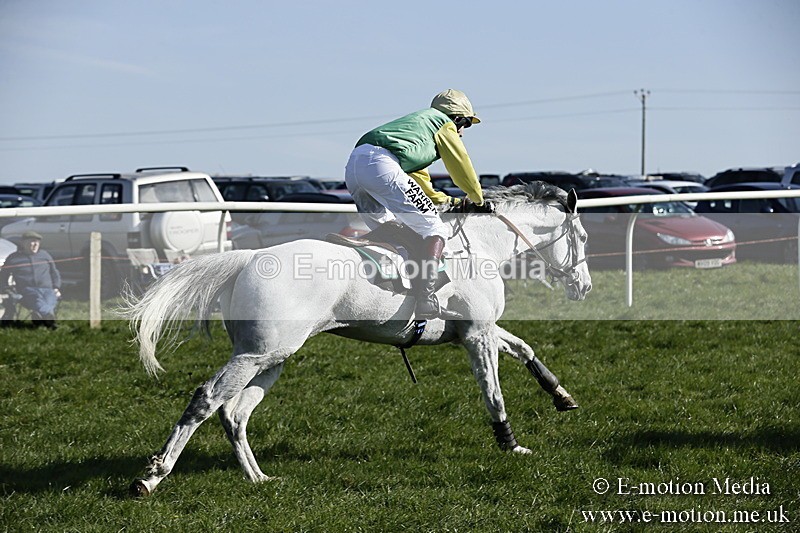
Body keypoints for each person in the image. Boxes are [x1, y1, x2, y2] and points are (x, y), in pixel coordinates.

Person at [343, 89, 486, 320]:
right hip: (381, 165)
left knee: (390, 227)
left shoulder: (418, 130)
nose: (462, 133)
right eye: (466, 124)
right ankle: (426, 300)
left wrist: (450, 201)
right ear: (457, 118)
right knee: (435, 229)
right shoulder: (443, 123)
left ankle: (398, 288)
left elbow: (421, 182)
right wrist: (477, 199)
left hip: (354, 167)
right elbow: (461, 164)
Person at [0, 231, 61, 328]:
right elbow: (3, 275)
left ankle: (42, 317)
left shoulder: (45, 255)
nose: (35, 244)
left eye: (37, 242)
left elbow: (54, 272)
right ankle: (48, 317)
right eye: (32, 241)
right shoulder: (14, 258)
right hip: (27, 290)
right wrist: (5, 288)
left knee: (50, 298)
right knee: (37, 298)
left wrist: (56, 287)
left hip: (48, 289)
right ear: (23, 243)